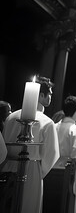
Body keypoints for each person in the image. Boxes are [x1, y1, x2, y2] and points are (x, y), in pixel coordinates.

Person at [1, 76, 59, 213]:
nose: (51, 96)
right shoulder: (47, 122)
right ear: (41, 95)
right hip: (32, 169)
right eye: (49, 93)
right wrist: (38, 172)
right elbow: (52, 154)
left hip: (6, 168)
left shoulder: (11, 117)